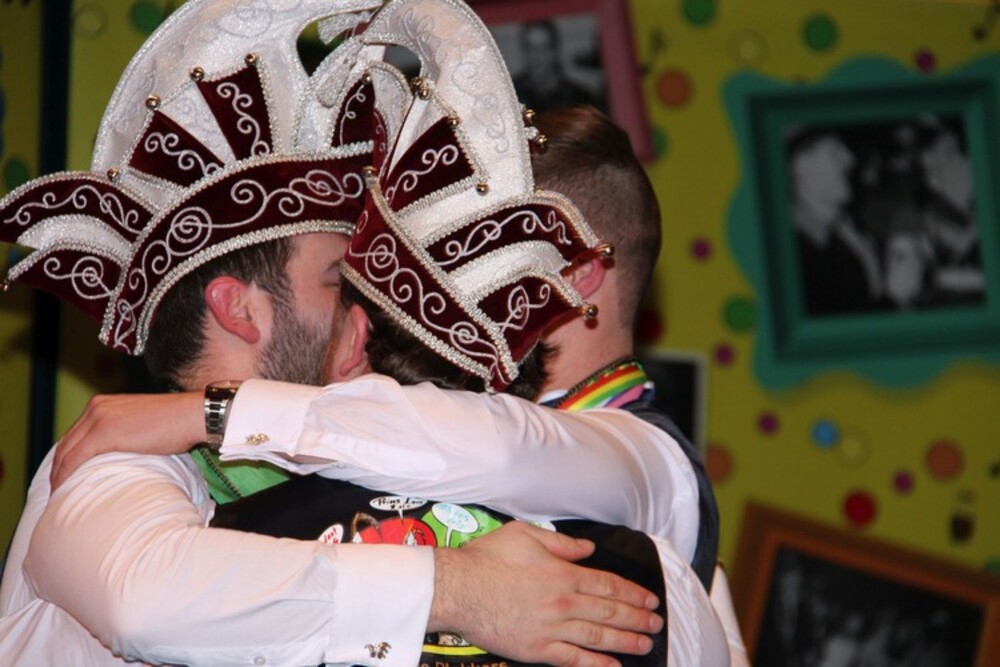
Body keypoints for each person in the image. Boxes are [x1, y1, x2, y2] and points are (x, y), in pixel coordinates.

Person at [0, 0, 670, 664]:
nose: (368, 314)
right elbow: (144, 602)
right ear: (240, 310)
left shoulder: (344, 473)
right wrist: (459, 588)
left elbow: (502, 448)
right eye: (339, 281)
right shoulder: (112, 465)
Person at [789, 130, 883, 316]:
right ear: (799, 166)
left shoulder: (843, 240)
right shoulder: (789, 258)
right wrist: (895, 297)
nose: (849, 159)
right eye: (834, 151)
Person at [511, 20, 605, 113]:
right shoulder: (510, 94)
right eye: (531, 48)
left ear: (555, 51)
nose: (537, 56)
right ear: (523, 51)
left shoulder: (580, 98)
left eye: (544, 48)